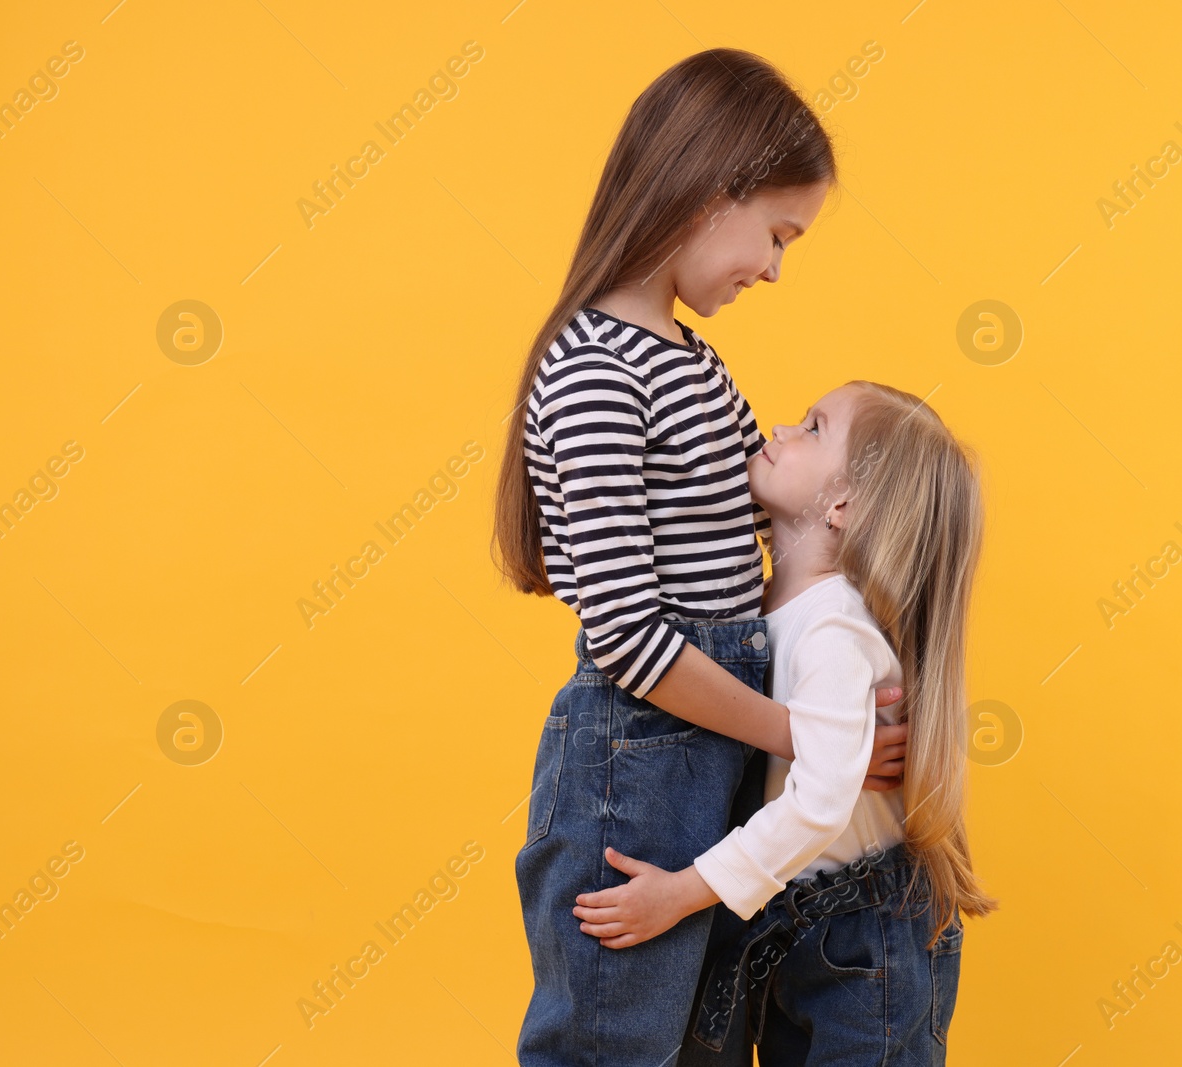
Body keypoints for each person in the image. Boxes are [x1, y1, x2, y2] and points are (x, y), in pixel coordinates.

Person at [492, 51, 910, 1066]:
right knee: (612, 1041)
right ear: (705, 192)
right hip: (636, 763)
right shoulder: (593, 369)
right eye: (775, 233)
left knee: (701, 1044)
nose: (773, 268)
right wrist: (806, 735)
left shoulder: (684, 357)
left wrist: (850, 707)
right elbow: (630, 637)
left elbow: (774, 538)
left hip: (706, 749)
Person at [571, 382, 999, 1065]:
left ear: (843, 506)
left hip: (862, 936)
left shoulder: (832, 626)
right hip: (791, 919)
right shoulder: (766, 601)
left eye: (813, 427)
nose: (779, 427)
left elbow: (819, 804)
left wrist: (680, 895)